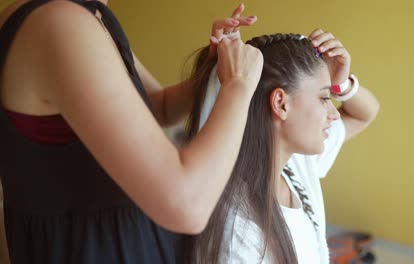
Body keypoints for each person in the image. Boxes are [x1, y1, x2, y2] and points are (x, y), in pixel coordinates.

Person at [0, 0, 263, 263]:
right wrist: (238, 85)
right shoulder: (61, 24)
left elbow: (160, 107)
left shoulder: (91, 15)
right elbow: (186, 205)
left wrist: (214, 69)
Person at [184, 30, 380, 263]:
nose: (333, 114)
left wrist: (341, 84)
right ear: (281, 104)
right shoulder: (240, 234)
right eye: (325, 98)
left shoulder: (296, 162)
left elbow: (365, 114)